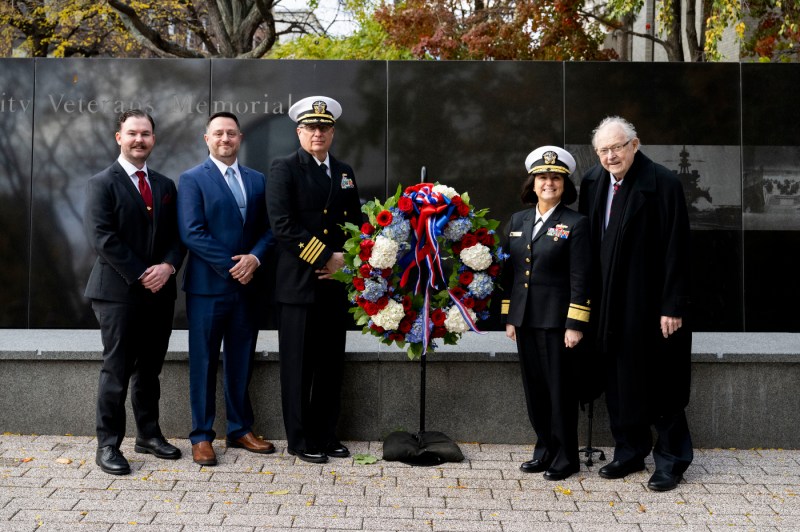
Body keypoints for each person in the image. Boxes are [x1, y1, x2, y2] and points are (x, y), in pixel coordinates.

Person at [578, 116, 693, 492]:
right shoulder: (593, 182)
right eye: (603, 150)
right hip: (608, 305)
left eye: (617, 147)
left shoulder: (663, 184)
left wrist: (672, 304)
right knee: (618, 380)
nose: (611, 156)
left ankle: (672, 461)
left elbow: (678, 248)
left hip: (652, 305)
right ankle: (629, 452)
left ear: (635, 144)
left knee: (662, 382)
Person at [84, 109, 185, 475]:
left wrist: (168, 267)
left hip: (160, 292)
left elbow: (177, 237)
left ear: (153, 139)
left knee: (150, 370)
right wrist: (143, 272)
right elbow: (103, 239)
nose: (139, 139)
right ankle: (108, 445)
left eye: (145, 134)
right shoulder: (102, 182)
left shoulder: (164, 185)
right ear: (119, 138)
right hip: (118, 292)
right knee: (118, 369)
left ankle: (148, 436)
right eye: (132, 133)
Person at [267, 96, 362, 464]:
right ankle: (300, 438)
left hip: (333, 285)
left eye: (324, 127)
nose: (317, 133)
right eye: (310, 127)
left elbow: (355, 224)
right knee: (298, 367)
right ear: (299, 132)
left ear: (333, 132)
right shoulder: (284, 168)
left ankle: (326, 433)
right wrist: (327, 257)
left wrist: (347, 262)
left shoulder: (344, 171)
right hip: (299, 286)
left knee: (329, 365)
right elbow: (283, 227)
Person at [177, 111, 275, 466]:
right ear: (207, 139)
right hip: (207, 289)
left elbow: (270, 229)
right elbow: (192, 232)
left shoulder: (258, 180)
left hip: (247, 288)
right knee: (203, 362)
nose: (225, 139)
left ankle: (239, 428)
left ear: (240, 138)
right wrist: (236, 265)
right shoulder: (191, 179)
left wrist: (255, 259)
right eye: (218, 133)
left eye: (231, 133)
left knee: (240, 360)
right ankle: (201, 437)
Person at [500, 146, 591, 481]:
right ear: (533, 183)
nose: (549, 183)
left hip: (557, 325)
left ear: (564, 184)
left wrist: (575, 324)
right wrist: (510, 316)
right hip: (525, 321)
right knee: (535, 391)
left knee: (559, 392)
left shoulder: (576, 223)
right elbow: (509, 274)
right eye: (543, 177)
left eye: (555, 177)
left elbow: (581, 277)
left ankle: (566, 457)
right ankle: (545, 451)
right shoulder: (517, 221)